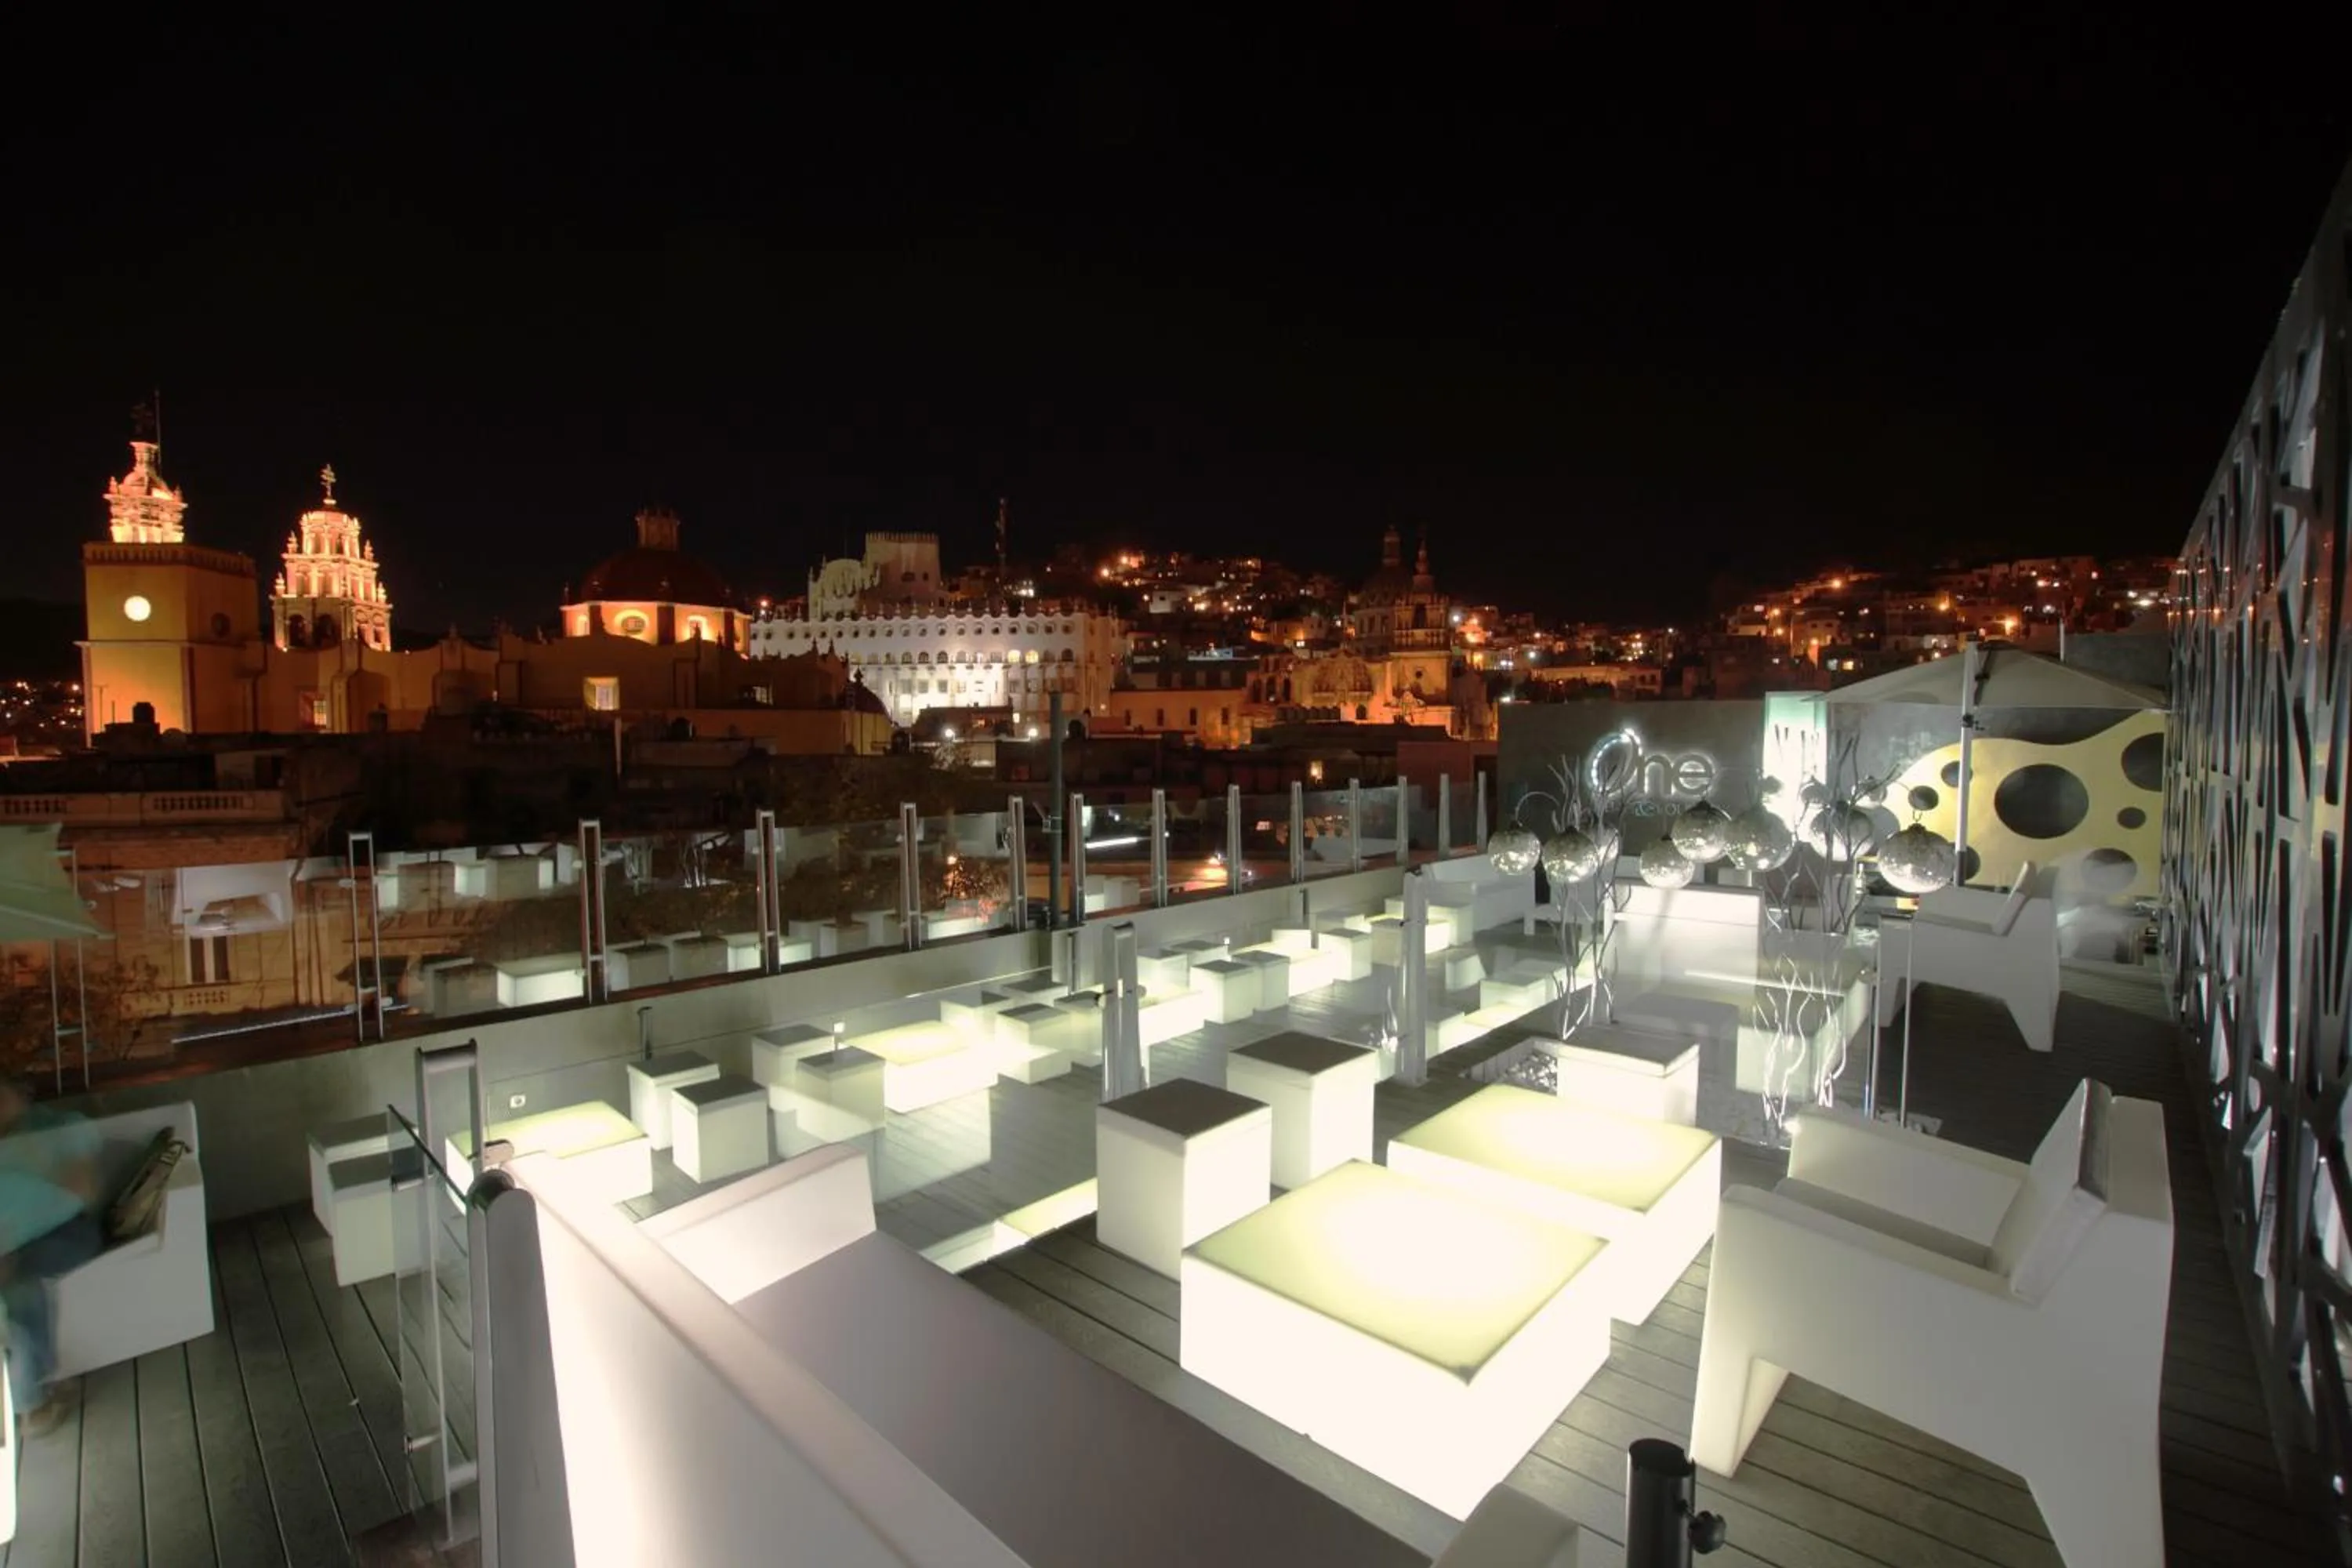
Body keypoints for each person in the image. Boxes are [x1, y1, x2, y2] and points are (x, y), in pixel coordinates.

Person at [0, 1076, 102, 1436]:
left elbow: (82, 1192)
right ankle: (34, 1387)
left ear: (19, 1093)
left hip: (71, 1233)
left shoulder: (57, 1128)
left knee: (18, 1286)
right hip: (20, 1242)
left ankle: (30, 1399)